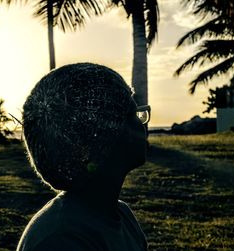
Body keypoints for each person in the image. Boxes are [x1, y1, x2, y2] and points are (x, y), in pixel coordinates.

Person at [17, 63, 150, 251]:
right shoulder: (61, 240)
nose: (144, 125)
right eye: (133, 115)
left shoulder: (120, 214)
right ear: (104, 139)